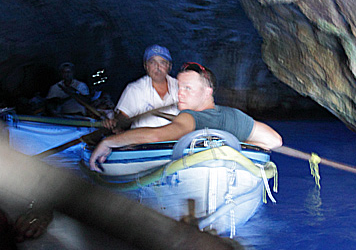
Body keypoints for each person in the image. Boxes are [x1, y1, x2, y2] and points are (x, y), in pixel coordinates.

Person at [89, 62, 282, 172]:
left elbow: (157, 136)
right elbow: (274, 140)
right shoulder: (235, 116)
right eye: (179, 87)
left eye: (188, 88)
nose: (180, 93)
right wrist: (234, 142)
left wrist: (110, 142)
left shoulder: (189, 117)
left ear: (207, 92)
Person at [105, 44, 179, 130]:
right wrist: (114, 121)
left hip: (177, 141)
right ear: (146, 66)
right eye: (152, 62)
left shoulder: (181, 87)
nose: (158, 67)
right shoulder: (134, 89)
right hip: (144, 142)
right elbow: (121, 120)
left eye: (162, 62)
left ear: (169, 66)